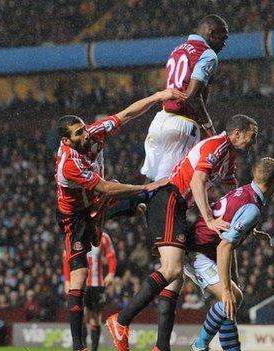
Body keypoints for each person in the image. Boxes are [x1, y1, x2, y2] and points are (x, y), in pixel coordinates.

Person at [107, 114, 258, 351]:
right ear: (237, 133)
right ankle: (121, 320)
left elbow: (232, 189)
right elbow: (198, 181)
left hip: (177, 207)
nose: (253, 141)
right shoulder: (217, 144)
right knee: (173, 269)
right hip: (169, 200)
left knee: (175, 281)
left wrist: (244, 218)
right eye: (252, 135)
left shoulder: (229, 157)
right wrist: (209, 219)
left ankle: (161, 347)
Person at [56, 89, 182, 351]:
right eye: (78, 133)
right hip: (76, 215)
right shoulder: (68, 163)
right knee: (79, 274)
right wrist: (144, 187)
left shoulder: (94, 132)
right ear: (66, 141)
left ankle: (132, 211)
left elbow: (127, 113)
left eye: (83, 128)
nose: (85, 134)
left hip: (98, 201)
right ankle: (78, 346)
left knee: (139, 198)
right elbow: (104, 188)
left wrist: (159, 95)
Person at [185, 157, 274, 351]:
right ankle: (199, 345)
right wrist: (227, 289)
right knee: (232, 297)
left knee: (229, 303)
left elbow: (230, 215)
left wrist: (252, 231)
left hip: (204, 245)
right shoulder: (253, 208)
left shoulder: (246, 190)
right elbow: (224, 247)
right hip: (199, 252)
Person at [141, 14, 229, 181]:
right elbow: (192, 96)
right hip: (182, 124)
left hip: (161, 119)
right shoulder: (208, 54)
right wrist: (209, 128)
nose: (224, 43)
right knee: (170, 185)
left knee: (148, 183)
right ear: (211, 33)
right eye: (223, 37)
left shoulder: (178, 48)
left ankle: (139, 208)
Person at [64, 231, 116, 351]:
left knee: (95, 318)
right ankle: (83, 347)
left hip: (97, 284)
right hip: (81, 284)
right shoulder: (77, 235)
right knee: (82, 316)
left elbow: (111, 256)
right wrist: (67, 280)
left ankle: (94, 349)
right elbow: (66, 258)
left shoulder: (103, 237)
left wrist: (111, 273)